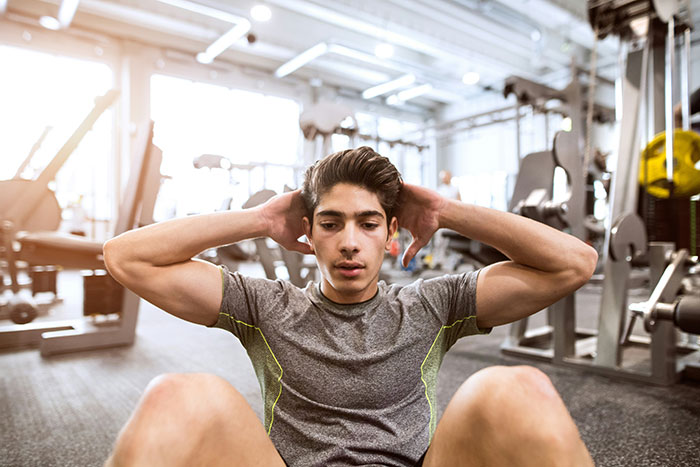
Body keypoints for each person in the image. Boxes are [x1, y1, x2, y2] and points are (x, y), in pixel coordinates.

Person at [103, 146, 597, 467]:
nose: (350, 243)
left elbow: (573, 264)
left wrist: (446, 212)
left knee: (519, 386)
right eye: (332, 223)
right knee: (175, 395)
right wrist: (259, 218)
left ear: (390, 234)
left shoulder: (433, 303)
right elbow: (125, 257)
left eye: (368, 223)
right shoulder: (264, 304)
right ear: (309, 234)